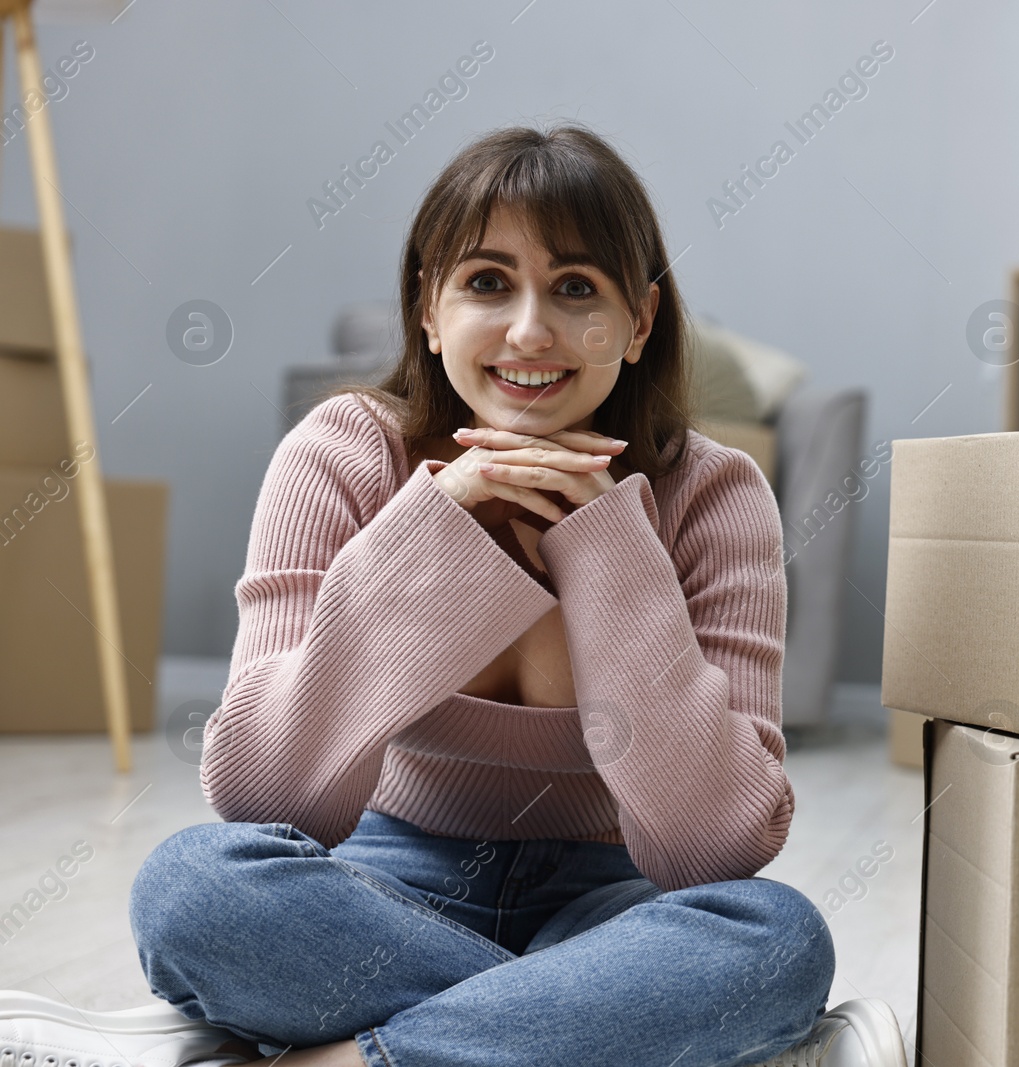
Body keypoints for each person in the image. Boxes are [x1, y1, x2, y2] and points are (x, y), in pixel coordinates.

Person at [0, 125, 906, 1067]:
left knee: (776, 937)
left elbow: (713, 846)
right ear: (427, 309)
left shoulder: (715, 494)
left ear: (639, 323)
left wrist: (606, 547)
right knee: (192, 886)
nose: (529, 330)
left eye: (576, 289)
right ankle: (612, 1041)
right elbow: (267, 791)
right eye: (485, 282)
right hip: (389, 891)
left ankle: (341, 1056)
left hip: (612, 906)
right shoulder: (342, 454)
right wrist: (431, 529)